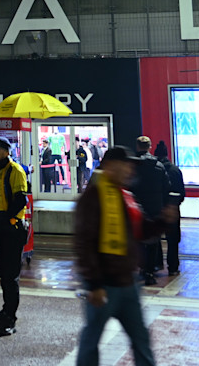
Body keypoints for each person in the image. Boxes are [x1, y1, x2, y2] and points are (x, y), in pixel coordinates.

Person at [74, 147, 177, 366]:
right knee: (91, 341)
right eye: (126, 165)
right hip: (103, 285)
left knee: (141, 339)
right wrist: (94, 283)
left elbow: (141, 230)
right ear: (111, 166)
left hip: (128, 283)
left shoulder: (126, 196)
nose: (130, 170)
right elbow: (84, 243)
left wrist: (162, 221)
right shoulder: (93, 196)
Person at [0, 137, 29, 335]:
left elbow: (20, 200)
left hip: (12, 228)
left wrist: (6, 219)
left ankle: (10, 318)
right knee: (4, 273)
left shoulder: (15, 170)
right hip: (1, 227)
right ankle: (6, 310)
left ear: (7, 151)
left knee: (10, 275)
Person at [130, 136, 169, 286]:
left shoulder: (133, 165)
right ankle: (150, 272)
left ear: (137, 146)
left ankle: (141, 267)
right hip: (155, 208)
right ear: (150, 147)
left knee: (138, 239)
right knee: (153, 241)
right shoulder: (159, 166)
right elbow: (166, 187)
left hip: (137, 208)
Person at [155, 141, 185, 276]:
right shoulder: (175, 170)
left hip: (157, 208)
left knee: (155, 237)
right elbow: (182, 193)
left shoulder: (154, 170)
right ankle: (173, 267)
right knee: (173, 240)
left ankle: (156, 264)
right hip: (172, 209)